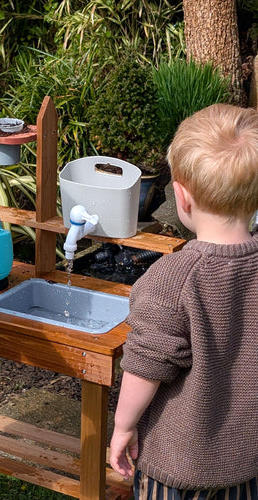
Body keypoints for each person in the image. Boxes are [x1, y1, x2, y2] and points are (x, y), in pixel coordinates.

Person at [109, 103, 258, 498]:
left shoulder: (172, 280)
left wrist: (123, 427)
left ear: (182, 196)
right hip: (248, 462)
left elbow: (145, 366)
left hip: (177, 468)